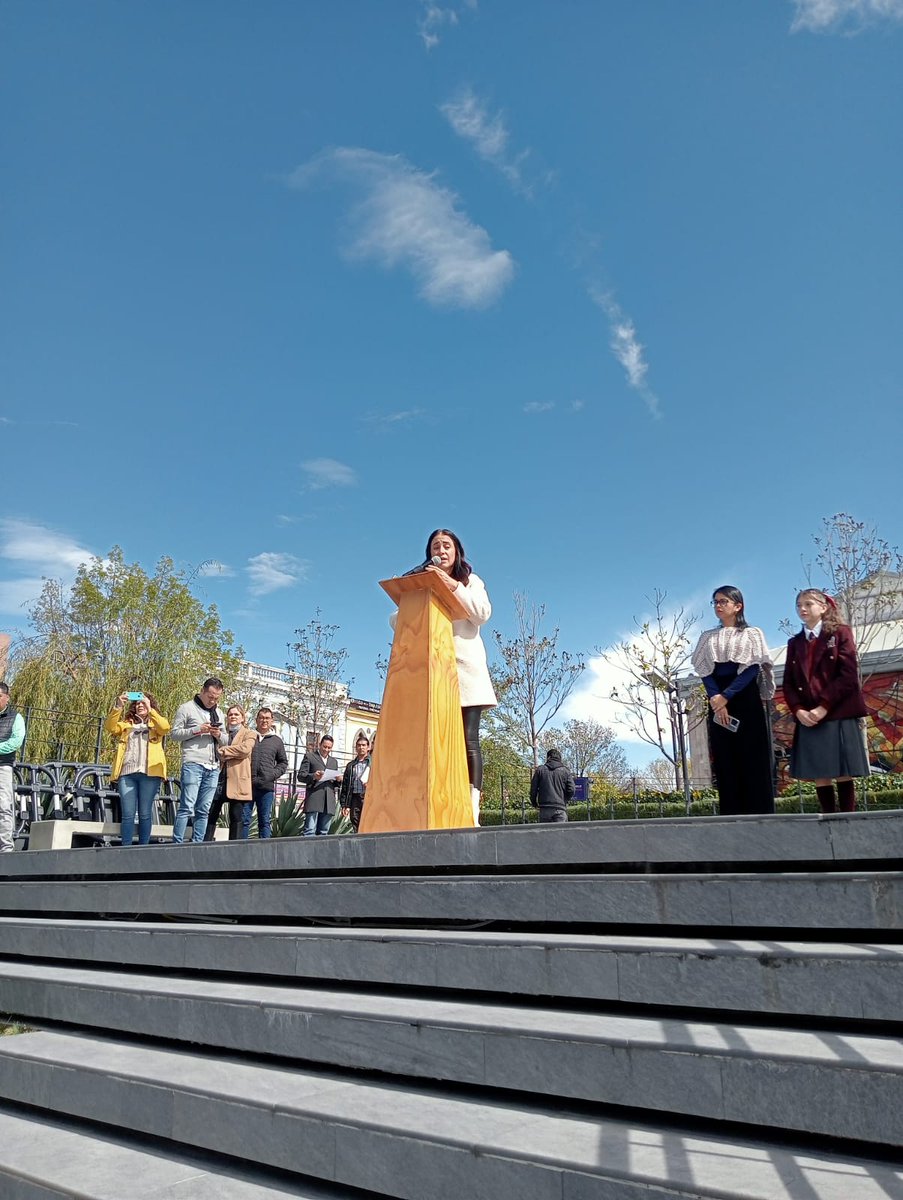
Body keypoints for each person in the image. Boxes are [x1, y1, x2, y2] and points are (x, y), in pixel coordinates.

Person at [421, 528, 497, 825]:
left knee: (467, 739)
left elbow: (481, 613)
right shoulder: (424, 581)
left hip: (465, 671)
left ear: (456, 552)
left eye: (446, 546)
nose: (440, 550)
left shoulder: (470, 582)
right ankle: (440, 804)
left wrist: (451, 584)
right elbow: (401, 617)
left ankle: (471, 808)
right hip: (435, 671)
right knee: (437, 740)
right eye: (435, 546)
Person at [691, 586, 775, 815]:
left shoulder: (752, 634)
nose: (718, 605)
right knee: (725, 757)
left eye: (723, 601)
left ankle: (761, 812)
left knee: (753, 756)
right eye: (715, 602)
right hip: (717, 701)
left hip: (744, 698)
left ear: (738, 606)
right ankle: (731, 813)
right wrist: (716, 698)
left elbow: (752, 668)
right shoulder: (707, 637)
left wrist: (727, 696)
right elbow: (704, 670)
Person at [783, 589, 869, 813]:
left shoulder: (840, 633)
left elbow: (848, 674)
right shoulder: (795, 643)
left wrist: (824, 706)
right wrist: (798, 710)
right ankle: (829, 818)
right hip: (808, 715)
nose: (802, 609)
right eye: (799, 605)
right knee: (820, 771)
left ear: (823, 607)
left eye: (808, 604)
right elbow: (789, 683)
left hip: (837, 710)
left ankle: (848, 817)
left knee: (843, 770)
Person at [104, 691, 171, 846]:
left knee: (145, 813)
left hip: (149, 774)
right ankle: (126, 847)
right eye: (137, 704)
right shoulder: (127, 724)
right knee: (127, 813)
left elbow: (165, 727)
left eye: (143, 703)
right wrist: (118, 706)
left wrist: (150, 708)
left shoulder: (155, 724)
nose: (140, 705)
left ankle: (143, 847)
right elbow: (110, 727)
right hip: (127, 773)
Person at [170, 677, 226, 843]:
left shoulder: (219, 712)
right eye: (210, 696)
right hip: (193, 762)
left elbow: (226, 740)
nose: (213, 700)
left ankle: (198, 844)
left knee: (204, 809)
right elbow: (174, 734)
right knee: (187, 806)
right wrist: (197, 729)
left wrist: (218, 734)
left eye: (216, 698)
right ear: (202, 691)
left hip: (213, 766)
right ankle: (177, 844)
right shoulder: (186, 708)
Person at [204, 704, 257, 841]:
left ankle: (234, 849)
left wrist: (224, 751)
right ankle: (205, 844)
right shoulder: (221, 733)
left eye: (236, 714)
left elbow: (245, 749)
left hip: (238, 779)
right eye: (230, 714)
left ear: (242, 718)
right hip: (219, 778)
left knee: (236, 817)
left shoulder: (249, 733)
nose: (233, 717)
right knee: (211, 814)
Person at [243, 707, 288, 839]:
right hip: (247, 786)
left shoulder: (277, 741)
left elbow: (283, 763)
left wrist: (271, 775)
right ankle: (241, 851)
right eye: (261, 718)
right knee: (244, 820)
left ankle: (265, 854)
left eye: (267, 718)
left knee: (265, 821)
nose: (264, 720)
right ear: (256, 720)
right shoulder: (248, 736)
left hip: (266, 788)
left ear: (271, 720)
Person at [0, 683, 26, 854]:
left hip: (2, 767)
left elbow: (16, 741)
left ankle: (6, 849)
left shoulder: (15, 718)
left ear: (7, 697)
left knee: (3, 807)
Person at [299, 734, 339, 837]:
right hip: (314, 798)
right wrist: (313, 776)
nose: (326, 749)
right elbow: (301, 776)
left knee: (324, 832)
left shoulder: (333, 762)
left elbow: (335, 783)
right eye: (324, 746)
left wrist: (339, 780)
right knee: (310, 831)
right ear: (319, 745)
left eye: (329, 748)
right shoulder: (310, 757)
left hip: (328, 800)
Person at [529, 748, 575, 823]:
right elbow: (572, 789)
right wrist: (564, 800)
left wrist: (534, 803)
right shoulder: (565, 771)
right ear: (559, 758)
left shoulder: (540, 770)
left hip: (544, 809)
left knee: (545, 833)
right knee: (561, 833)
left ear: (548, 757)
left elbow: (533, 789)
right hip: (560, 809)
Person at [339, 735, 371, 832]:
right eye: (359, 745)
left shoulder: (373, 763)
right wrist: (344, 805)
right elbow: (345, 786)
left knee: (368, 822)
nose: (361, 747)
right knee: (355, 821)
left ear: (368, 747)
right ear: (356, 747)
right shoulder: (351, 765)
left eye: (364, 745)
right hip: (355, 797)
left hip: (368, 797)